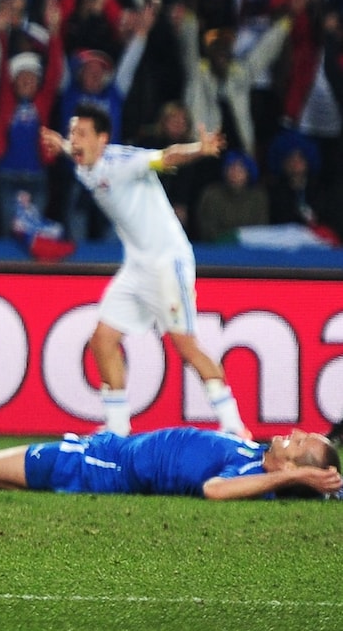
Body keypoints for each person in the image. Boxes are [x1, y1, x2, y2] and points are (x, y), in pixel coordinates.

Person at [39, 105, 249, 439]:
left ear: (102, 139)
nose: (74, 140)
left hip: (168, 263)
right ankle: (117, 429)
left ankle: (235, 426)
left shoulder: (124, 162)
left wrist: (200, 149)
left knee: (186, 346)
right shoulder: (84, 165)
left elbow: (167, 157)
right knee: (102, 340)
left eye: (81, 134)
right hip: (137, 266)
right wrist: (62, 144)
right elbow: (75, 151)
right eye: (72, 133)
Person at [0, 420, 340, 500]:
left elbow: (213, 491)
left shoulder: (252, 476)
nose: (293, 435)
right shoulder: (255, 453)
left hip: (100, 469)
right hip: (107, 449)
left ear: (293, 470)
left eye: (300, 445)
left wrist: (296, 478)